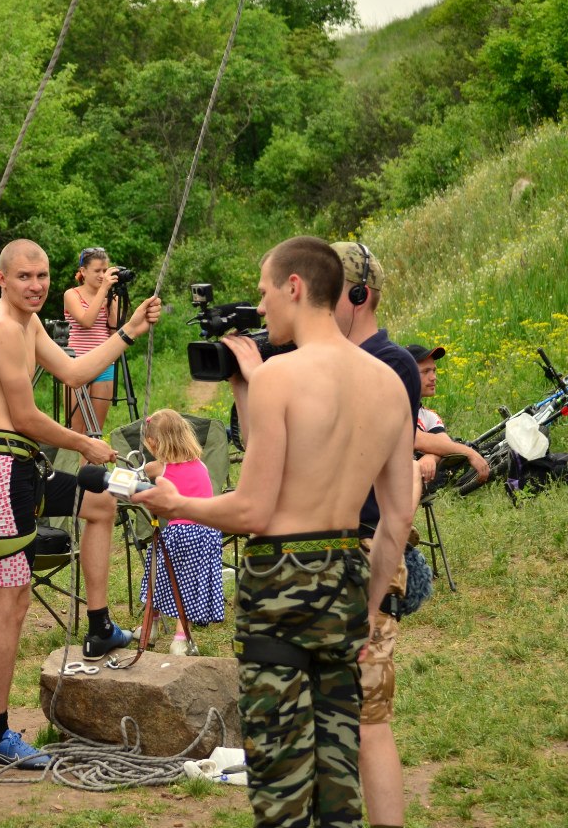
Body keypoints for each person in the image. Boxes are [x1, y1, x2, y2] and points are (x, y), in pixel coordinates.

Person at [133, 236, 414, 828]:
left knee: (281, 782)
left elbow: (255, 510)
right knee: (339, 778)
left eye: (263, 292)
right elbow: (396, 518)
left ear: (295, 287)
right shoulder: (389, 384)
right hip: (345, 574)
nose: (259, 309)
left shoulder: (282, 377)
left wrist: (178, 501)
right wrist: (366, 605)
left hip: (280, 585)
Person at [0, 238, 161, 768]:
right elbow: (25, 417)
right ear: (2, 279)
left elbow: (75, 373)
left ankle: (98, 627)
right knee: (13, 600)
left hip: (23, 467)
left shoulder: (26, 324)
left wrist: (128, 331)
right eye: (25, 277)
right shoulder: (2, 328)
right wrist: (84, 444)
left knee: (100, 504)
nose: (37, 285)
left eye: (44, 276)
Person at [331, 240, 420, 828]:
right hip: (322, 549)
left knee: (366, 719)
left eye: (326, 293)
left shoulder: (390, 363)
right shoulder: (322, 359)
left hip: (364, 545)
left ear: (359, 297)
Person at [136, 408, 225, 656]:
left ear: (153, 443)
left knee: (157, 576)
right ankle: (179, 638)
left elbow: (136, 480)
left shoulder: (158, 468)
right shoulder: (201, 466)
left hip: (180, 533)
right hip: (207, 533)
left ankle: (149, 627)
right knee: (186, 585)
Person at [407, 343, 490, 490]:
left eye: (434, 370)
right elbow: (415, 438)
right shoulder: (393, 409)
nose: (434, 377)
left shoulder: (429, 415)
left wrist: (431, 457)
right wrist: (470, 453)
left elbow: (446, 445)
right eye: (425, 371)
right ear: (406, 374)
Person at [63, 247, 123, 437]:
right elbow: (86, 321)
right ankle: (76, 467)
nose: (102, 275)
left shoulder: (110, 296)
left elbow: (116, 332)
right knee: (77, 430)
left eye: (105, 270)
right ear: (83, 271)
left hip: (104, 364)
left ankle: (92, 468)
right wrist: (103, 291)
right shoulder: (72, 295)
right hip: (76, 364)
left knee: (96, 431)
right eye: (97, 271)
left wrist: (112, 301)